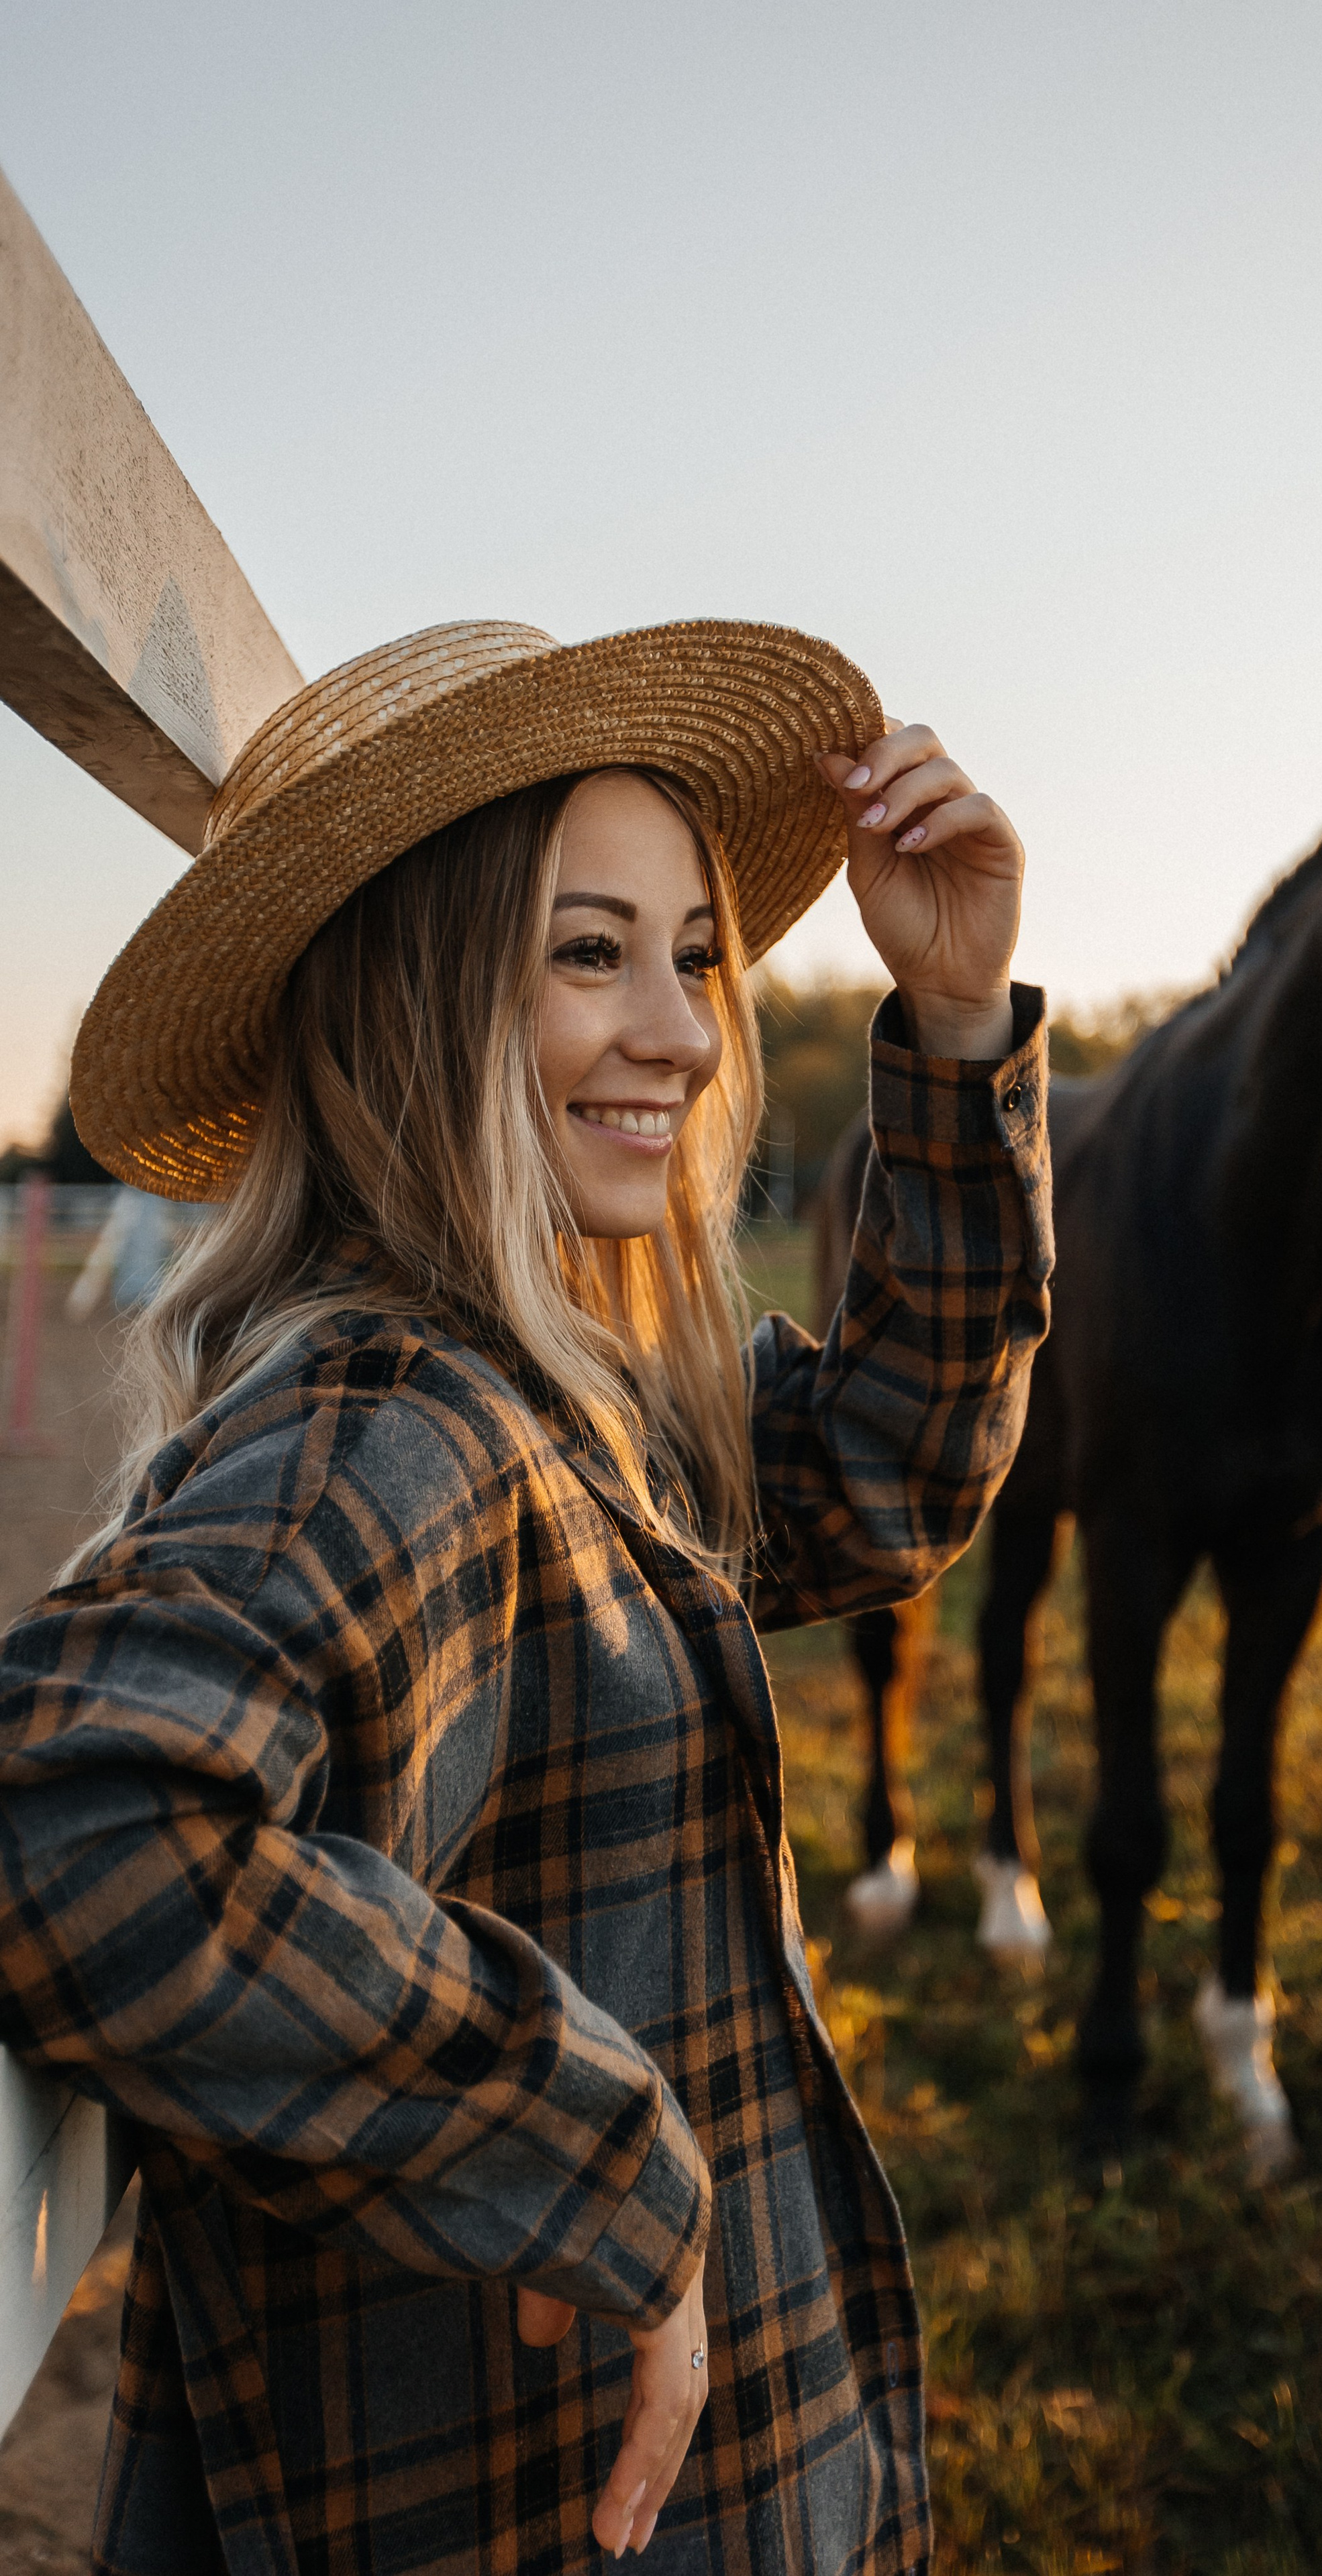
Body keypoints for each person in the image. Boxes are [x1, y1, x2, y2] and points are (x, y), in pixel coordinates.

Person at [0, 618, 1052, 2576]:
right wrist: (594, 2149)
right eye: (590, 952)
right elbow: (81, 1818)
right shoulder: (398, 1411)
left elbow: (891, 1473)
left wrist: (964, 1027)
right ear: (421, 994)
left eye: (694, 954)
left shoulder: (581, 1370)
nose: (680, 1028)